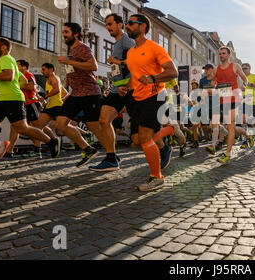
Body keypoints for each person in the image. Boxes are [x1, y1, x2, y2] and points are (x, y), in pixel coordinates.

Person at [123, 14, 178, 192]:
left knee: (145, 137)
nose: (127, 25)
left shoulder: (155, 48)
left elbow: (173, 72)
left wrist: (154, 78)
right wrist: (127, 87)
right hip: (136, 97)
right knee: (137, 140)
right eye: (127, 23)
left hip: (155, 95)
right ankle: (169, 131)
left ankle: (157, 177)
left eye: (131, 23)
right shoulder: (130, 53)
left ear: (143, 27)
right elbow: (135, 77)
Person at [0, 38, 60, 169]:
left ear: (3, 48)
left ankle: (51, 141)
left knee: (23, 128)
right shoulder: (4, 62)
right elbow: (23, 80)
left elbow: (9, 76)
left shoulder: (6, 59)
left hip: (12, 100)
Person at [55, 23, 105, 168]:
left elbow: (93, 66)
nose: (64, 34)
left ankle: (111, 154)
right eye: (63, 32)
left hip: (89, 92)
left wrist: (69, 61)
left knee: (94, 126)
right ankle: (88, 149)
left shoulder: (83, 48)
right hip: (76, 94)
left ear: (76, 33)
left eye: (66, 32)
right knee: (61, 123)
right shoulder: (72, 51)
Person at [90, 14, 135, 172]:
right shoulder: (116, 44)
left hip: (128, 88)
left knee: (142, 130)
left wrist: (117, 62)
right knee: (104, 120)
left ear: (120, 25)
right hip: (117, 89)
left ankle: (164, 147)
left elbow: (137, 60)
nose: (108, 27)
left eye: (110, 24)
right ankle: (111, 158)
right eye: (106, 24)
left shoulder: (126, 40)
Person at [213, 46, 247, 164]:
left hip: (234, 98)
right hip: (223, 100)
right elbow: (213, 83)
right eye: (220, 54)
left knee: (230, 125)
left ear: (228, 55)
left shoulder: (235, 66)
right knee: (228, 126)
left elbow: (245, 79)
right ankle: (247, 134)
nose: (221, 55)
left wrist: (243, 87)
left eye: (223, 53)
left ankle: (227, 154)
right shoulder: (216, 69)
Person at [26, 63, 65, 158]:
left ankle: (85, 143)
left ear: (50, 69)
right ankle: (38, 150)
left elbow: (57, 90)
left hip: (57, 107)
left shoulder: (53, 78)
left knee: (64, 128)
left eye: (43, 69)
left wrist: (44, 96)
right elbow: (52, 93)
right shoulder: (49, 80)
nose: (41, 71)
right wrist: (44, 101)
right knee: (38, 128)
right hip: (50, 106)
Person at [240, 63, 255, 150]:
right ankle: (246, 140)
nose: (244, 70)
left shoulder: (254, 76)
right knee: (243, 120)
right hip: (243, 101)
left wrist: (252, 85)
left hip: (253, 102)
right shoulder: (239, 78)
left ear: (249, 69)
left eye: (245, 68)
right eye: (242, 69)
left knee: (254, 123)